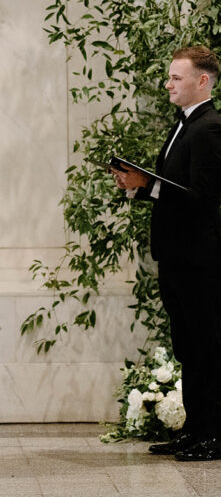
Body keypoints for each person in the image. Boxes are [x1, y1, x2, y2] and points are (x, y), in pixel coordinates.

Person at [112, 45, 221, 462]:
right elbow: (174, 190)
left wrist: (149, 184)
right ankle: (194, 431)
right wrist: (138, 186)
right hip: (176, 256)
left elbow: (203, 197)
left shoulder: (209, 128)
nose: (168, 84)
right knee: (187, 347)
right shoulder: (184, 125)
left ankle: (212, 435)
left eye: (176, 77)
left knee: (206, 346)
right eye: (169, 77)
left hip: (199, 259)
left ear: (202, 80)